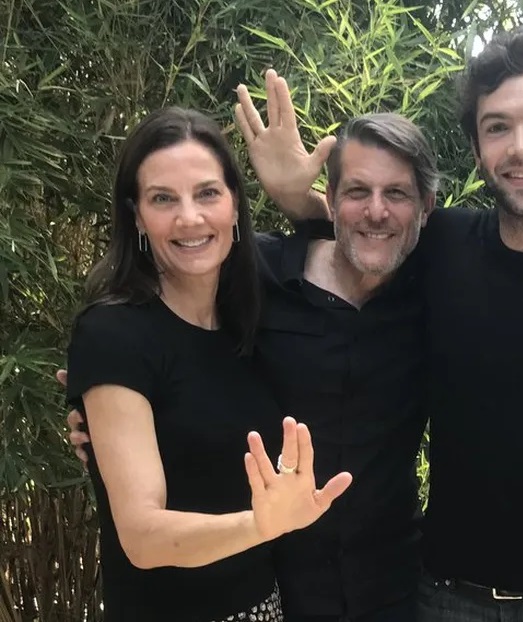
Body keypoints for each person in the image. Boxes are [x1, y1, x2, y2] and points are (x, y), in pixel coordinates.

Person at [235, 28, 523, 621]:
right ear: (476, 146)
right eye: (497, 127)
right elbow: (373, 230)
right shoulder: (442, 246)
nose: (520, 147)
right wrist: (300, 200)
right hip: (442, 598)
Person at [66, 96, 439, 621]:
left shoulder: (443, 284)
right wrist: (105, 412)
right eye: (163, 199)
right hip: (276, 586)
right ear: (137, 214)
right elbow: (142, 527)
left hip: (383, 591)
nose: (190, 218)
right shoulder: (252, 287)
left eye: (207, 194)